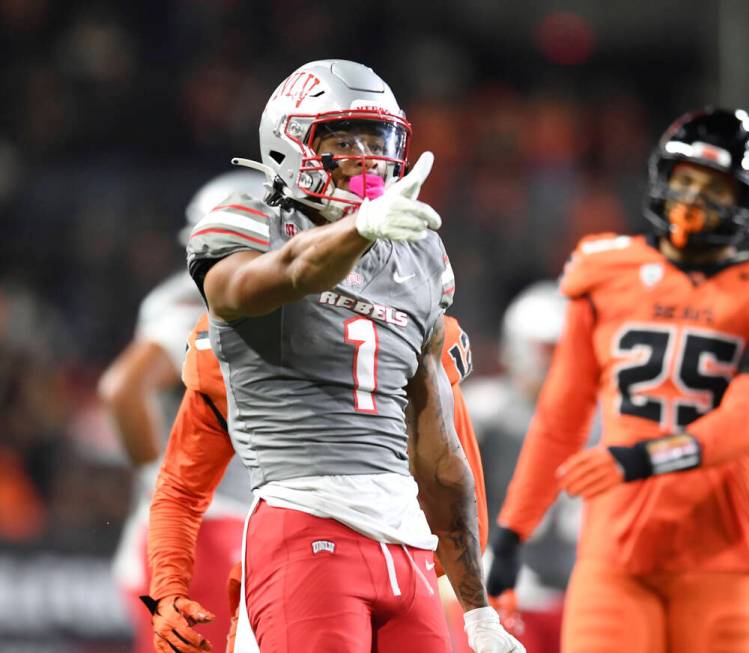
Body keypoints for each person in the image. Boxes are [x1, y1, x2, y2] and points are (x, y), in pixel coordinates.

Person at [156, 59, 523, 652]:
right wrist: (167, 582)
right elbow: (286, 272)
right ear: (291, 145)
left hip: (405, 545)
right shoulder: (249, 226)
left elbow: (441, 455)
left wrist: (478, 609)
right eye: (343, 138)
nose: (366, 156)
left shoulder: (419, 256)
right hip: (305, 525)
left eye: (377, 139)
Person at [486, 108, 749, 653]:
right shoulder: (607, 270)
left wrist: (640, 458)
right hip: (616, 555)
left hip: (721, 558)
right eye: (685, 179)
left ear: (745, 201)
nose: (692, 198)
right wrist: (509, 536)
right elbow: (561, 419)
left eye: (713, 187)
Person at [144, 309, 490, 653]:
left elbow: (462, 505)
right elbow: (180, 491)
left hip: (368, 561)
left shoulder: (418, 328)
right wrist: (169, 587)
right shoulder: (239, 335)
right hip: (336, 557)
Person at [97, 170, 261, 653]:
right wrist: (162, 484)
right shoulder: (196, 300)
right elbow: (122, 389)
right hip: (208, 529)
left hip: (227, 522)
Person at [453, 281, 582, 653]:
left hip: (582, 593)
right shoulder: (487, 412)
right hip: (509, 594)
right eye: (550, 350)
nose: (559, 363)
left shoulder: (607, 419)